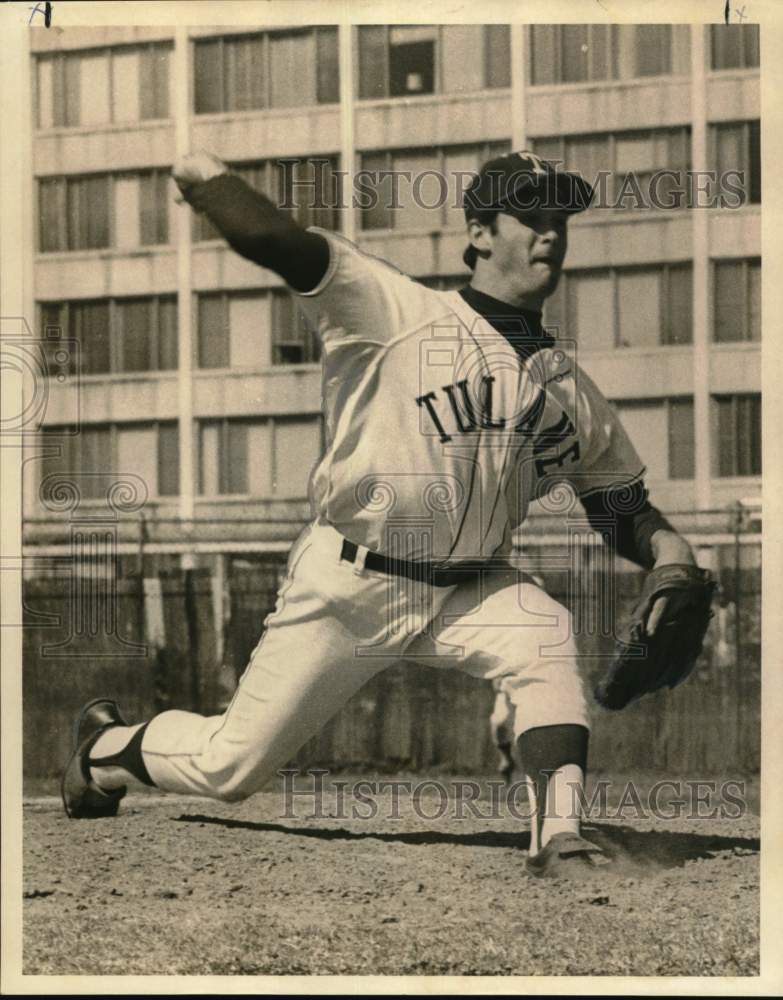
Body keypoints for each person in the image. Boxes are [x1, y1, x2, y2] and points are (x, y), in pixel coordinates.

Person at [62, 149, 700, 876]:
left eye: (559, 217)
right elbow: (285, 246)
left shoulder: (569, 388)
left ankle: (559, 836)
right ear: (481, 232)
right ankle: (103, 748)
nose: (549, 232)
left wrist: (670, 551)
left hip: (466, 586)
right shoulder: (397, 311)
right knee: (229, 768)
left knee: (543, 634)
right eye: (529, 213)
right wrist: (209, 185)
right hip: (350, 582)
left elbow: (618, 504)